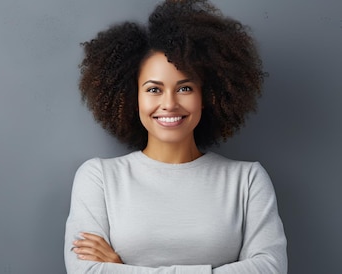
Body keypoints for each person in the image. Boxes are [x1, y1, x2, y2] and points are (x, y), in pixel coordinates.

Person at [63, 0, 287, 273]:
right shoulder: (99, 178)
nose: (169, 104)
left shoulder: (247, 180)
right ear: (133, 97)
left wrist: (122, 268)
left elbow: (271, 268)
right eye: (154, 90)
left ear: (206, 97)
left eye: (185, 89)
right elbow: (85, 271)